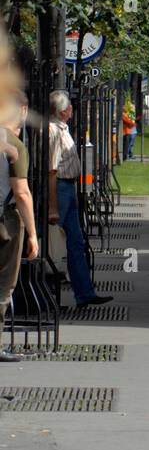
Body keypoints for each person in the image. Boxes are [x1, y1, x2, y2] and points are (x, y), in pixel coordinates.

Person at [48, 91, 112, 307]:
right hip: (60, 190)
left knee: (76, 241)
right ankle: (51, 293)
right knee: (53, 243)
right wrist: (53, 206)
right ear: (64, 110)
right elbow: (51, 170)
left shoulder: (62, 130)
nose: (73, 110)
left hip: (68, 189)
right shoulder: (53, 132)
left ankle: (84, 293)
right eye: (70, 107)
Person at [0, 92, 39, 361]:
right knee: (3, 284)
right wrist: (33, 234)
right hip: (5, 221)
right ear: (22, 111)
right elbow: (22, 193)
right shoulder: (14, 145)